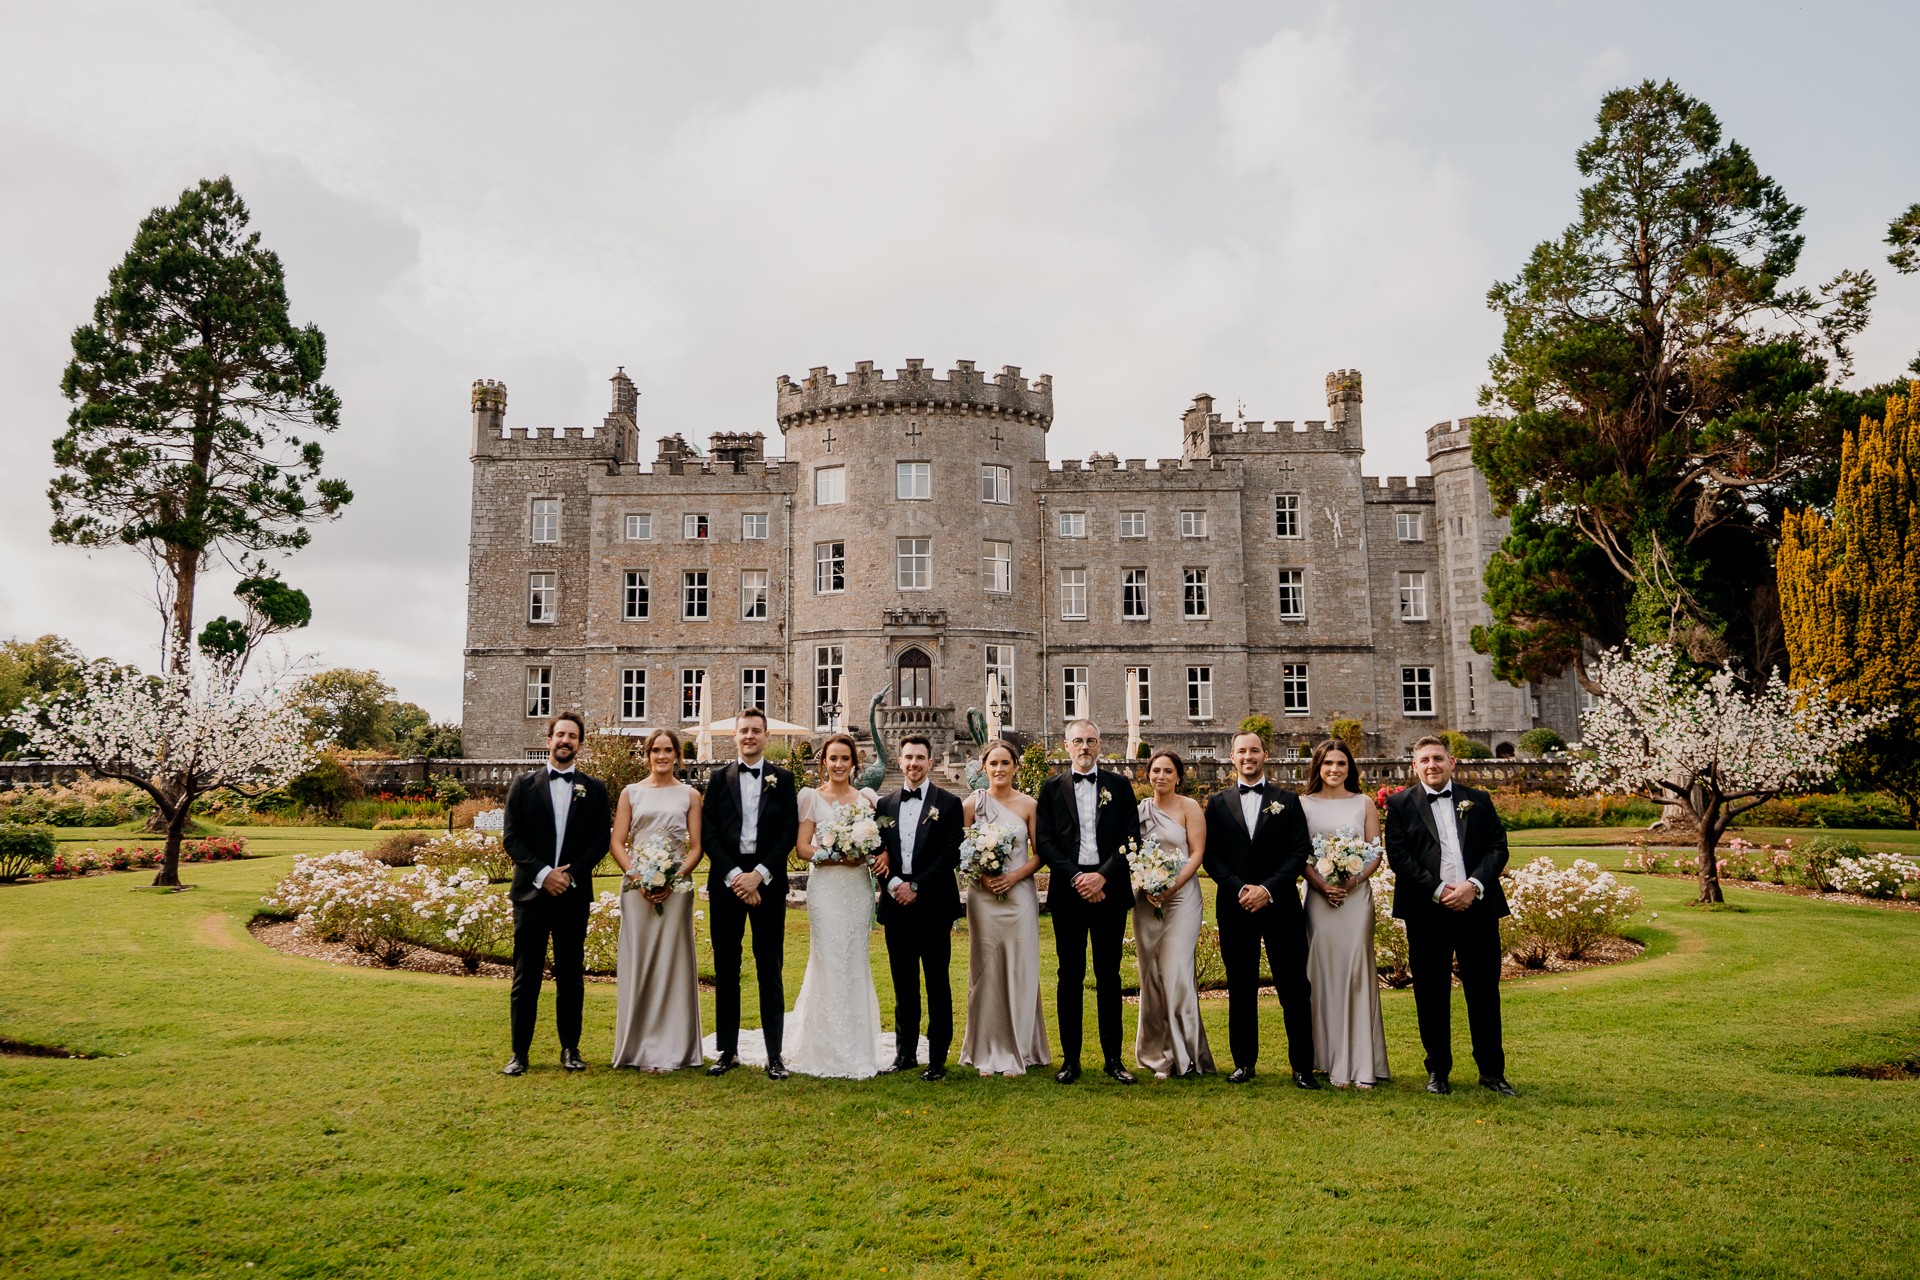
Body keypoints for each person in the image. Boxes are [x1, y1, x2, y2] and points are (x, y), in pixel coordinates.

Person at [1383, 734, 1516, 1097]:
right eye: (1424, 760)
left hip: (1478, 909)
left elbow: (1497, 848)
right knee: (1430, 994)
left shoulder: (1479, 800)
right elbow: (1399, 858)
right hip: (1427, 913)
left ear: (1452, 762)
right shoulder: (1399, 805)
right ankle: (1438, 1071)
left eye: (1438, 758)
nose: (1432, 765)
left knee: (1484, 993)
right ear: (1414, 765)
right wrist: (1440, 890)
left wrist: (1472, 885)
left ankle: (1492, 1073)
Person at [1201, 729, 1317, 1088]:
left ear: (1265, 755)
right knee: (1241, 985)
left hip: (1280, 904)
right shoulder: (1217, 803)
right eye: (1241, 752)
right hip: (1235, 906)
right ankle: (1244, 1063)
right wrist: (1241, 889)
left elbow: (1299, 852)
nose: (1248, 757)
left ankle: (1302, 1067)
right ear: (1231, 757)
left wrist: (1267, 889)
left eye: (1254, 750)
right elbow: (1211, 857)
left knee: (1295, 985)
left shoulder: (1288, 799)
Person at [500, 712, 613, 1076]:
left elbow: (600, 840)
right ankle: (520, 1053)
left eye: (572, 736)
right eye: (560, 735)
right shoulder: (523, 785)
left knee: (570, 975)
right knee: (525, 976)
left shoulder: (594, 789)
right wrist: (544, 874)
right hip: (531, 896)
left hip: (572, 896)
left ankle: (570, 1049)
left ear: (580, 743)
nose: (565, 741)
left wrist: (569, 876)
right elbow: (512, 838)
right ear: (548, 740)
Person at [1034, 718, 1141, 1085]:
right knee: (1070, 976)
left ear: (1100, 745)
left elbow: (1131, 839)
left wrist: (1102, 876)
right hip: (1069, 891)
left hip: (1109, 891)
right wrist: (1077, 877)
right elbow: (1044, 841)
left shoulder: (1119, 785)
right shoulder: (1050, 788)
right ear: (1066, 746)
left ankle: (1114, 1059)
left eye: (1091, 741)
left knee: (1109, 976)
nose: (1084, 747)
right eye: (1077, 741)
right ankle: (1071, 1059)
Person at [701, 707, 801, 1080]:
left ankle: (775, 1054)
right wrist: (735, 877)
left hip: (768, 885)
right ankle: (727, 1051)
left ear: (766, 736)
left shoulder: (783, 778)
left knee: (769, 967)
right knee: (727, 968)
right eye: (744, 731)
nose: (749, 737)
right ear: (735, 735)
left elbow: (788, 832)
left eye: (756, 731)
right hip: (727, 885)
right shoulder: (717, 778)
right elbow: (708, 833)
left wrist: (758, 876)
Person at [783, 733, 889, 1078]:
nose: (839, 764)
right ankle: (824, 1043)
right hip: (826, 888)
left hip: (857, 890)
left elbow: (877, 843)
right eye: (833, 758)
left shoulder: (867, 799)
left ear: (854, 763)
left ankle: (857, 1044)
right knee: (828, 958)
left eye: (845, 758)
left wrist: (868, 853)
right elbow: (802, 848)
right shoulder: (811, 797)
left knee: (853, 958)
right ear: (823, 762)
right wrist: (835, 855)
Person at [607, 727, 705, 1072]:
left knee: (672, 963)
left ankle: (673, 1048)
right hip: (637, 889)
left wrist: (674, 878)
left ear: (677, 755)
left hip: (676, 889)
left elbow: (696, 847)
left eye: (668, 750)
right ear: (646, 755)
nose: (661, 756)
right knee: (641, 961)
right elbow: (618, 842)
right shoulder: (631, 793)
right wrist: (638, 876)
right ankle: (638, 1047)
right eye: (655, 750)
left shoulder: (690, 795)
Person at [1299, 738, 1389, 1089]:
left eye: (1341, 763)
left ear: (1350, 768)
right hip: (1320, 901)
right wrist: (1321, 885)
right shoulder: (1303, 804)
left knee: (1356, 973)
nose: (1334, 770)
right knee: (1322, 974)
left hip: (1355, 900)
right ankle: (1329, 1058)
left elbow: (1375, 851)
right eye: (1327, 764)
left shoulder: (1363, 802)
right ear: (1317, 767)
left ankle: (1363, 1063)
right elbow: (1300, 853)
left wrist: (1351, 883)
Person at [873, 735, 965, 1081]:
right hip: (897, 904)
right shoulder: (884, 805)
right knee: (903, 983)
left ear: (930, 761)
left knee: (937, 982)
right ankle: (905, 1054)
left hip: (933, 904)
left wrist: (917, 886)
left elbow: (951, 853)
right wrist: (895, 884)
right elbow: (877, 850)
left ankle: (937, 1058)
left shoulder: (950, 802)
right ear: (900, 762)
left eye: (920, 758)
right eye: (908, 757)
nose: (913, 763)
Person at [958, 739, 1050, 1078]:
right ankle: (986, 1047)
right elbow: (961, 849)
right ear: (984, 768)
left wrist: (1013, 877)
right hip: (983, 897)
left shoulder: (1029, 805)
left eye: (1005, 763)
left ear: (1015, 767)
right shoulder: (973, 804)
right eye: (993, 763)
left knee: (1020, 968)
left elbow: (1041, 853)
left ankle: (1022, 1048)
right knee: (985, 970)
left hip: (1019, 895)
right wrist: (980, 875)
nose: (999, 769)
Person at [1132, 751, 1214, 1080]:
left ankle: (1187, 1054)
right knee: (1151, 976)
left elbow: (1197, 854)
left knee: (1177, 972)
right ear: (1147, 775)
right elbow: (1131, 853)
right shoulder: (1139, 811)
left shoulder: (1189, 807)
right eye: (1155, 770)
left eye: (1168, 771)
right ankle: (1156, 1057)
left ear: (1178, 776)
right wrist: (1146, 884)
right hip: (1146, 902)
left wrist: (1171, 886)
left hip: (1182, 899)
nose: (1161, 776)